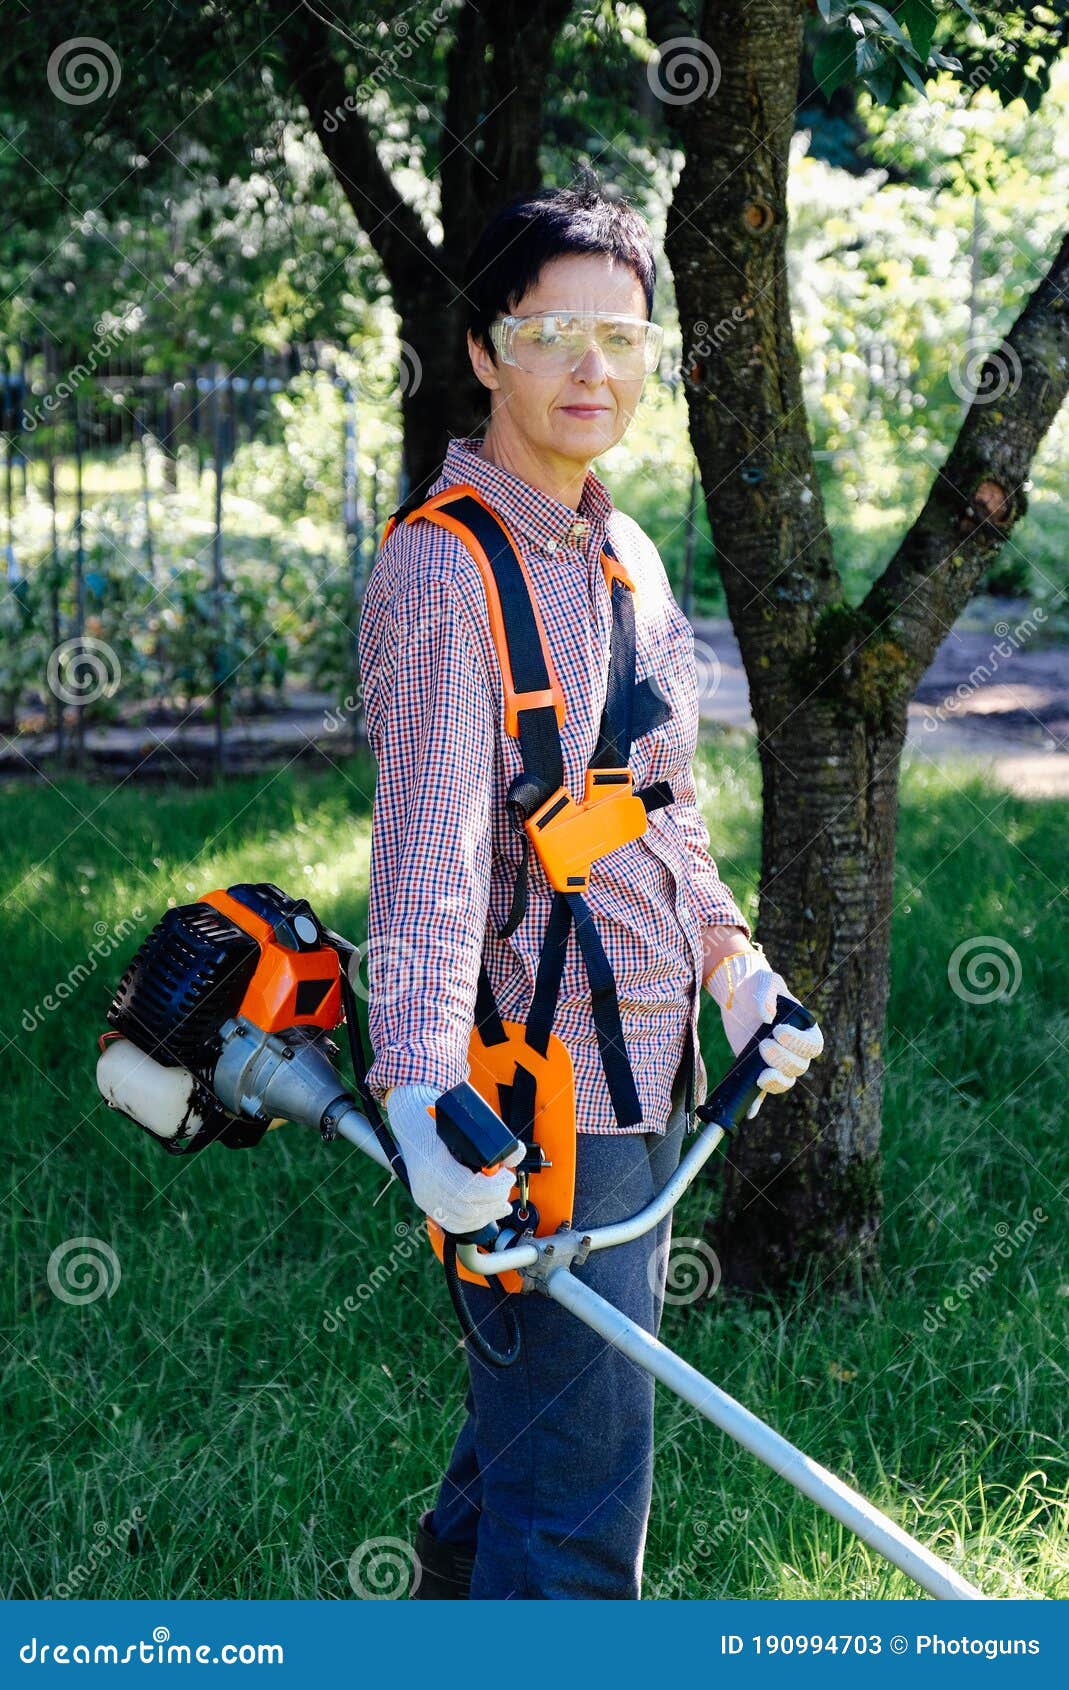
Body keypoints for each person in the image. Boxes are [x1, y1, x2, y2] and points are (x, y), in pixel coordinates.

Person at [357, 183, 824, 1600]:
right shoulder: (446, 571)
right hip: (526, 1104)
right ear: (486, 347)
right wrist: (418, 1094)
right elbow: (428, 867)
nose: (592, 369)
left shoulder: (627, 555)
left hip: (649, 1076)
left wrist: (732, 963)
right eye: (554, 332)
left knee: (522, 1457)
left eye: (621, 338)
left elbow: (658, 811)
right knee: (574, 1521)